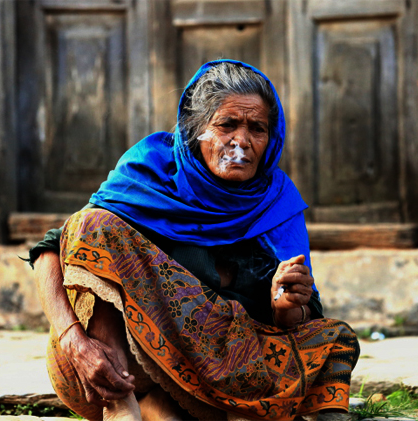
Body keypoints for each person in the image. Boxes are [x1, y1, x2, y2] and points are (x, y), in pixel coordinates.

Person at [29, 60, 360, 421]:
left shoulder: (277, 203)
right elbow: (57, 250)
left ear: (271, 138)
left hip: (221, 369)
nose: (242, 142)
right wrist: (73, 339)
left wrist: (284, 304)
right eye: (227, 125)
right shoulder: (153, 172)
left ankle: (164, 408)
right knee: (93, 224)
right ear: (194, 129)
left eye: (258, 129)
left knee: (334, 340)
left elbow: (297, 319)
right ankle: (120, 405)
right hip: (112, 368)